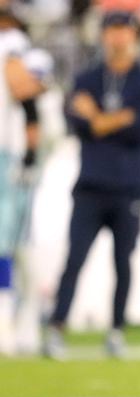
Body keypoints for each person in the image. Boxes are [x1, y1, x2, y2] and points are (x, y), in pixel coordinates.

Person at [43, 10, 140, 359]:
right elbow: (76, 123)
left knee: (123, 262)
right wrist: (114, 119)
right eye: (112, 30)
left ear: (135, 35)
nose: (117, 37)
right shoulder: (88, 76)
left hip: (128, 186)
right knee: (75, 258)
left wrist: (96, 117)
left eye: (124, 30)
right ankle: (56, 327)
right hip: (91, 184)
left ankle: (116, 330)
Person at [0, 12, 48, 355]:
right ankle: (7, 325)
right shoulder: (12, 43)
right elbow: (24, 90)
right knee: (8, 244)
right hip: (7, 153)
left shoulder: (11, 43)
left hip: (10, 153)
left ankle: (11, 324)